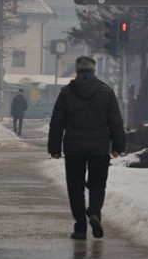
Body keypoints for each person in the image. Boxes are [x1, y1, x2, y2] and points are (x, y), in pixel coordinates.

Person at [48, 55, 126, 240]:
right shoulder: (106, 92)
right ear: (94, 70)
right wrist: (118, 146)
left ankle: (80, 227)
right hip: (99, 148)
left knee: (75, 187)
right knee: (98, 185)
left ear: (77, 70)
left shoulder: (66, 93)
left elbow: (57, 123)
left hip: (74, 149)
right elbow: (116, 121)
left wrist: (54, 147)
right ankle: (94, 213)